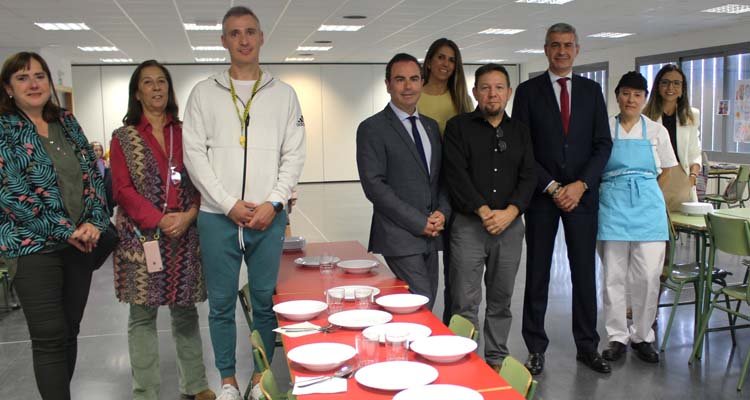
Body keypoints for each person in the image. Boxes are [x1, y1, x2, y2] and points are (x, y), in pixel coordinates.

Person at [182, 6, 306, 400]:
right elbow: (194, 156)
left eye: (250, 31)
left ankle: (259, 378)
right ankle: (228, 381)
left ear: (262, 37)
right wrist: (227, 203)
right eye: (234, 33)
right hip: (217, 217)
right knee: (220, 304)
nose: (244, 39)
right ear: (223, 41)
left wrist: (274, 202)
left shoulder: (283, 94)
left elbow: (295, 155)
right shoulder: (204, 92)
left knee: (265, 301)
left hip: (268, 217)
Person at [0, 51, 110, 400]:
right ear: (8, 88)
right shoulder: (4, 129)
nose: (33, 84)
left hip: (81, 244)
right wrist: (67, 230)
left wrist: (94, 221)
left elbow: (92, 175)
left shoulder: (67, 122)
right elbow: (12, 191)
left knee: (69, 332)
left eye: (39, 76)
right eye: (22, 78)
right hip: (31, 247)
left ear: (50, 82)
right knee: (48, 336)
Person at [109, 60, 215, 400]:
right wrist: (158, 219)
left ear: (169, 89)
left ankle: (196, 384)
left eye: (162, 82)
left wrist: (191, 213)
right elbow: (122, 190)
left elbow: (202, 178)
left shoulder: (186, 132)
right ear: (137, 92)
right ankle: (146, 392)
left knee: (185, 313)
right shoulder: (123, 138)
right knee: (142, 316)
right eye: (148, 82)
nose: (156, 88)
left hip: (185, 234)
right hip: (142, 240)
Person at [512, 22, 613, 375]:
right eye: (555, 45)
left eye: (568, 45)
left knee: (584, 273)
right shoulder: (527, 92)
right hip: (542, 197)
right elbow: (523, 149)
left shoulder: (591, 91)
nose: (562, 51)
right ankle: (535, 348)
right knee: (537, 272)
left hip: (582, 198)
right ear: (545, 49)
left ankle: (587, 345)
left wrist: (581, 185)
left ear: (577, 49)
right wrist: (554, 186)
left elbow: (603, 145)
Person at [443, 64, 536, 371]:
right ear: (475, 92)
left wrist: (510, 212)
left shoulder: (521, 131)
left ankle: (496, 359)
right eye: (485, 87)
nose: (492, 93)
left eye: (499, 87)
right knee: (464, 300)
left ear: (508, 93)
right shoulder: (458, 128)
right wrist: (484, 211)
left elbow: (529, 176)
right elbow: (456, 175)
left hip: (509, 228)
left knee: (501, 299)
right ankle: (462, 360)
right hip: (469, 226)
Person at [357, 53, 451, 311]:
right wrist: (418, 222)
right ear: (388, 84)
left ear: (422, 82)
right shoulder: (372, 128)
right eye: (400, 80)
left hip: (432, 234)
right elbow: (374, 186)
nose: (408, 86)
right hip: (399, 234)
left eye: (413, 79)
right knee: (421, 301)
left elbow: (441, 177)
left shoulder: (430, 127)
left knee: (426, 301)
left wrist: (442, 212)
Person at [597, 72, 677, 365]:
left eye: (637, 95)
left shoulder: (656, 131)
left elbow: (667, 168)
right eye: (626, 93)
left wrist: (647, 191)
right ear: (617, 95)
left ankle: (643, 335)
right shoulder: (604, 128)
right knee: (614, 277)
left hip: (648, 208)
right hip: (612, 206)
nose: (631, 100)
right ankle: (617, 337)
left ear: (645, 99)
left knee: (647, 275)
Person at [419, 37, 473, 324]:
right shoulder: (415, 95)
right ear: (429, 61)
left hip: (453, 191)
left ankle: (452, 326)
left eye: (452, 60)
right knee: (425, 270)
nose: (446, 64)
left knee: (456, 268)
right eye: (441, 57)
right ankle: (422, 323)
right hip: (423, 189)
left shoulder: (461, 101)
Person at [643, 64, 702, 201]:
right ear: (658, 87)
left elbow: (694, 152)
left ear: (682, 89)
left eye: (676, 83)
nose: (670, 87)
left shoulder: (691, 115)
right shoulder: (644, 115)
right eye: (665, 82)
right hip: (654, 179)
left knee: (680, 221)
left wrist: (692, 177)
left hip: (681, 178)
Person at [91, 140, 115, 215]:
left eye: (100, 150)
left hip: (105, 191)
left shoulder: (104, 163)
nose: (98, 152)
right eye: (96, 150)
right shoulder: (88, 163)